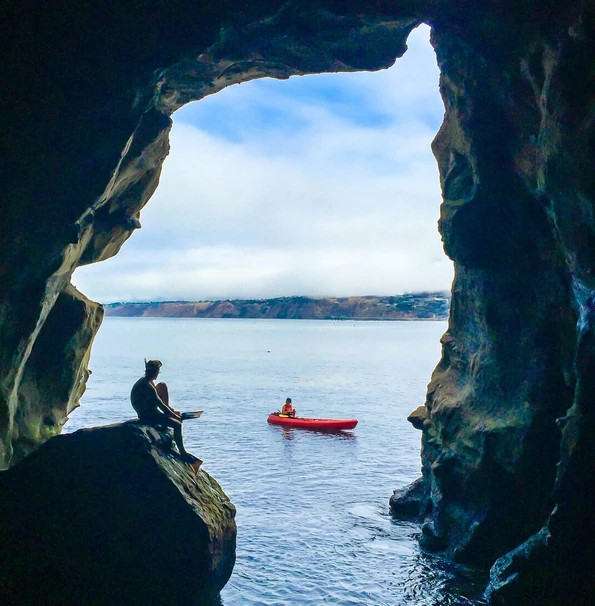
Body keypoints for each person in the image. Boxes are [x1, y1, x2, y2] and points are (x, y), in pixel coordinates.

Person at [131, 359, 192, 461]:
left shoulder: (144, 381)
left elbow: (160, 404)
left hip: (146, 410)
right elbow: (161, 405)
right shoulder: (148, 387)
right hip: (148, 415)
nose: (158, 374)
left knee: (162, 385)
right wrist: (176, 417)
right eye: (158, 372)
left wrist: (171, 412)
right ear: (155, 372)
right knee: (177, 425)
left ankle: (169, 414)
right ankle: (183, 452)